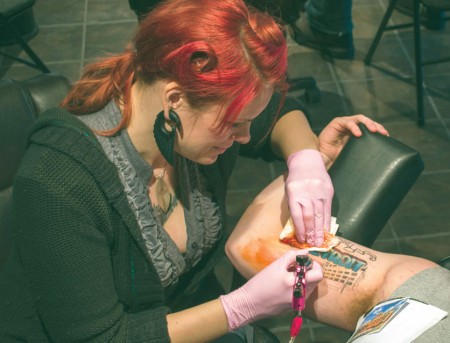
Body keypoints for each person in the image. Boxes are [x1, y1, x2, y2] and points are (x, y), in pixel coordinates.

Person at [0, 0, 387, 341]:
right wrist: (239, 307)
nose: (245, 136)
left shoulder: (183, 124)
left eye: (247, 122)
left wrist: (306, 158)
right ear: (173, 99)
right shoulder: (58, 182)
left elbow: (277, 116)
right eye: (234, 124)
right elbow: (103, 338)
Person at [225, 115, 450, 341]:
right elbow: (259, 245)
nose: (243, 137)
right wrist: (312, 162)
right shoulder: (430, 298)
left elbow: (254, 245)